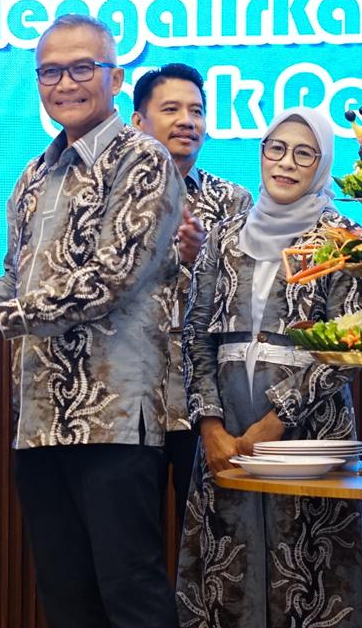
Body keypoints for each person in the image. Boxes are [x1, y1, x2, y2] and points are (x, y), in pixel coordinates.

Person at [0, 13, 183, 628]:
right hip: (39, 421)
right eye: (50, 72)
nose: (65, 83)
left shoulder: (143, 161)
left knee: (131, 593)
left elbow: (110, 281)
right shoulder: (33, 176)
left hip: (113, 417)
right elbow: (17, 278)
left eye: (82, 68)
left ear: (116, 78)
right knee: (66, 597)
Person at [175, 107, 362, 627]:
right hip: (228, 432)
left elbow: (347, 347)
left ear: (322, 164)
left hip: (310, 433)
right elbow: (195, 334)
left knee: (309, 571)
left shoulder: (347, 242)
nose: (286, 163)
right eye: (277, 148)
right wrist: (210, 426)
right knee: (228, 566)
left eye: (304, 154)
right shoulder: (224, 236)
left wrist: (276, 420)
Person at [131, 63, 252, 536]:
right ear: (138, 122)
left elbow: (246, 301)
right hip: (128, 406)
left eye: (196, 111)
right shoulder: (111, 198)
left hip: (206, 409)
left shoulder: (232, 202)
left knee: (209, 544)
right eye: (172, 109)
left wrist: (204, 259)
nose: (187, 121)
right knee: (128, 547)